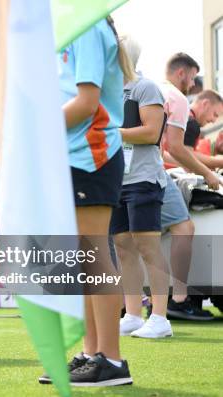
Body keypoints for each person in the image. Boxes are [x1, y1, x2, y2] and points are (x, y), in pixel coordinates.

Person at [51, 17, 134, 386]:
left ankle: (112, 361)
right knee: (84, 257)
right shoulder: (77, 28)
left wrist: (37, 127)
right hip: (75, 154)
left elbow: (86, 103)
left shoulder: (87, 28)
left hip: (92, 154)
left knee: (93, 254)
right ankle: (91, 353)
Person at [111, 36, 172, 339]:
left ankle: (160, 317)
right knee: (123, 248)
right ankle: (133, 314)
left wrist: (111, 133)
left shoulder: (144, 87)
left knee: (148, 246)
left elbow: (151, 132)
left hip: (144, 179)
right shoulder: (107, 91)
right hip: (116, 180)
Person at [158, 54, 219, 321]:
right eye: (193, 77)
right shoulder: (176, 100)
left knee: (137, 242)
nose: (193, 84)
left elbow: (168, 151)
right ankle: (178, 300)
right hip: (150, 176)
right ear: (182, 73)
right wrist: (209, 170)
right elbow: (178, 149)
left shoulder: (146, 91)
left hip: (132, 173)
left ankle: (144, 306)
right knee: (184, 227)